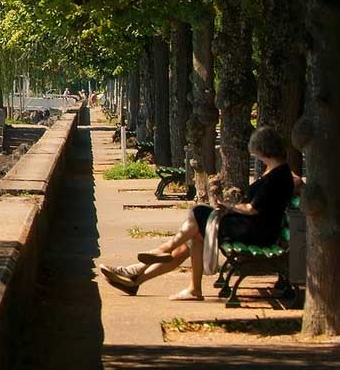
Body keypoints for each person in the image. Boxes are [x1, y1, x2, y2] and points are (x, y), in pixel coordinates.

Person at [98, 127, 295, 301]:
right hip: (254, 228)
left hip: (255, 232)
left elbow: (253, 209)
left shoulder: (277, 176)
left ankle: (154, 259)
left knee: (198, 213)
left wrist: (228, 206)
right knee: (193, 238)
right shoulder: (277, 172)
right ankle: (138, 278)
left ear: (262, 149)